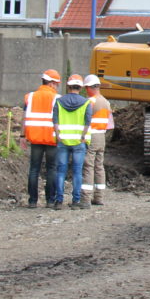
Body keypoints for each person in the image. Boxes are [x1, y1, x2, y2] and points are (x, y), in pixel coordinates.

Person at [51, 74, 92, 210]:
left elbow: (55, 121)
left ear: (68, 86)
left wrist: (58, 135)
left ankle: (59, 201)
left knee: (61, 171)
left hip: (63, 141)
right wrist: (83, 136)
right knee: (77, 172)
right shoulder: (86, 103)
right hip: (79, 142)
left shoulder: (59, 101)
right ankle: (76, 201)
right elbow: (87, 122)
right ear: (81, 88)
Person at [22, 69, 60, 208]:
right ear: (51, 83)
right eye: (56, 84)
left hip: (35, 138)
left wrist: (22, 135)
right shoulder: (57, 98)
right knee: (51, 169)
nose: (57, 87)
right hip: (52, 139)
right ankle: (50, 200)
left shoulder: (30, 97)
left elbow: (24, 118)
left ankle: (32, 201)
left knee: (34, 169)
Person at [81, 74, 112, 206]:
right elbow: (110, 124)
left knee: (89, 166)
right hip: (102, 137)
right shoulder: (106, 102)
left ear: (89, 87)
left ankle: (85, 199)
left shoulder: (90, 102)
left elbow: (84, 121)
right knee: (99, 167)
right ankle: (99, 197)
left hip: (91, 136)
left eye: (86, 88)